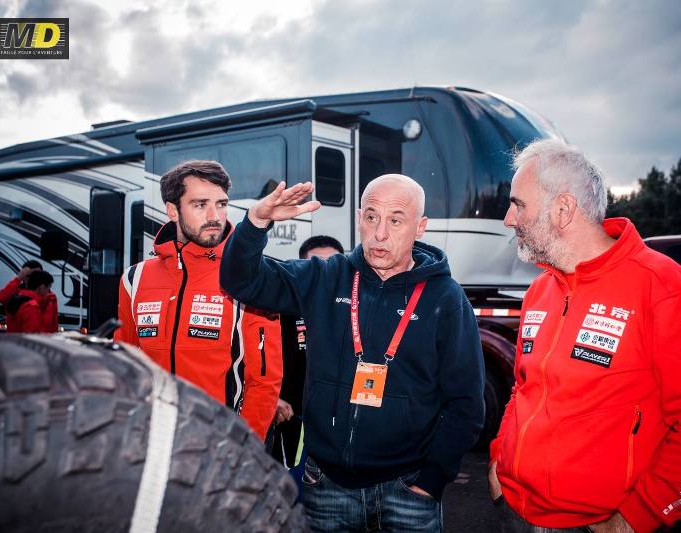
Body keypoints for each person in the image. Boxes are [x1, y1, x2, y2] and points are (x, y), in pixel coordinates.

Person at [488, 139, 681, 533]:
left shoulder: (662, 286)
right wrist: (497, 461)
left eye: (518, 204)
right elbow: (524, 387)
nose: (508, 219)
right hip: (513, 510)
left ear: (563, 209)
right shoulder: (539, 290)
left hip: (595, 525)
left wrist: (637, 517)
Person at [220, 174, 484, 532]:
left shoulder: (446, 297)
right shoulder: (326, 277)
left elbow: (466, 402)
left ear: (420, 227)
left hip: (408, 489)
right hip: (326, 485)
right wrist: (256, 222)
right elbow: (240, 280)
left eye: (395, 220)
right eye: (371, 217)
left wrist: (432, 479)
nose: (379, 233)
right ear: (359, 217)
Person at [114, 160, 282, 441]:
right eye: (200, 204)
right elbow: (125, 365)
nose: (215, 216)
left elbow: (264, 381)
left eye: (221, 204)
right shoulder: (134, 279)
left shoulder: (249, 277)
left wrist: (241, 448)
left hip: (218, 446)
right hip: (150, 442)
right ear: (172, 211)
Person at [271, 236, 344, 474]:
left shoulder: (359, 307)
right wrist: (271, 398)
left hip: (342, 424)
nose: (325, 272)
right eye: (317, 265)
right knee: (291, 487)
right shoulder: (281, 307)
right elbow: (257, 356)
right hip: (292, 419)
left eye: (332, 264)